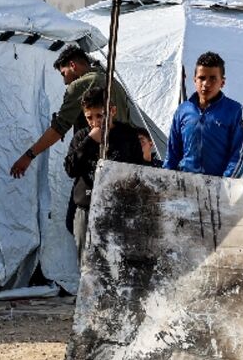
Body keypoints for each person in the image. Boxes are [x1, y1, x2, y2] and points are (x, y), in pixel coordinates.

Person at [9, 44, 131, 179]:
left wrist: (28, 156)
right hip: (124, 161)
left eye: (64, 74)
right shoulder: (114, 83)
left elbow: (59, 127)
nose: (65, 81)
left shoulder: (80, 84)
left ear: (73, 65)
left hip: (96, 165)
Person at [63, 85, 147, 254]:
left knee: (116, 262)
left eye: (100, 115)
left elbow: (139, 169)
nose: (95, 122)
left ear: (112, 111)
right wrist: (89, 141)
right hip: (87, 207)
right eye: (89, 117)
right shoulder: (81, 137)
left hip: (118, 208)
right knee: (86, 262)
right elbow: (71, 169)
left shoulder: (127, 135)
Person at [165, 52, 243, 178]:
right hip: (184, 185)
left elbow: (239, 155)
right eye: (202, 78)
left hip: (219, 187)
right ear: (194, 80)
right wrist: (167, 180)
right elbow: (172, 153)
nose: (206, 83)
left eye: (213, 78)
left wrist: (224, 184)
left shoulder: (235, 111)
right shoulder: (183, 110)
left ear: (222, 82)